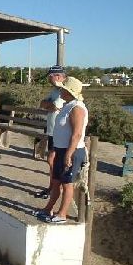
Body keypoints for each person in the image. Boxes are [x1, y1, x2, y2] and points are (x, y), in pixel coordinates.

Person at [36, 76, 88, 224]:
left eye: (63, 89)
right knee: (57, 181)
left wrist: (69, 154)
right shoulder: (68, 105)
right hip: (61, 149)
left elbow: (77, 133)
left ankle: (62, 213)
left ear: (69, 91)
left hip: (70, 151)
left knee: (67, 183)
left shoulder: (77, 108)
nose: (61, 91)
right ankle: (48, 209)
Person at [35, 65, 67, 199]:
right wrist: (49, 105)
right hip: (52, 131)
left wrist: (50, 105)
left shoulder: (65, 91)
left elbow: (55, 107)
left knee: (52, 160)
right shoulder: (54, 91)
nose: (49, 79)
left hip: (60, 133)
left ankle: (55, 188)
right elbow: (42, 104)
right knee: (52, 161)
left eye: (50, 76)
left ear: (58, 76)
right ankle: (52, 187)